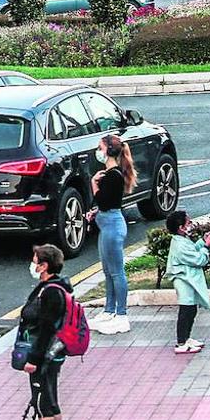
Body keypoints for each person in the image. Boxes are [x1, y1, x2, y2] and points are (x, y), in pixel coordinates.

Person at [19, 244, 72, 420]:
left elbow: (47, 329)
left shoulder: (50, 292)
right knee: (51, 401)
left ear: (44, 266)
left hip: (44, 356)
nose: (32, 266)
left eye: (35, 262)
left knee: (43, 405)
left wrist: (33, 359)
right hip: (53, 353)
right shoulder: (57, 286)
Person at [86, 134, 134, 335]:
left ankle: (121, 315)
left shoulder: (113, 175)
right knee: (107, 271)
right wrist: (96, 211)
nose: (98, 151)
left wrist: (93, 183)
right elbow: (108, 203)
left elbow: (105, 201)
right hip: (107, 223)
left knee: (116, 272)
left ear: (108, 151)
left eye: (100, 147)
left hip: (112, 226)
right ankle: (109, 310)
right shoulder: (110, 173)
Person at [165, 210, 210, 353]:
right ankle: (181, 342)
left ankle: (186, 338)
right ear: (181, 227)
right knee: (186, 310)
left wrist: (201, 242)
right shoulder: (180, 245)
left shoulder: (181, 240)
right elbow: (198, 259)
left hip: (187, 280)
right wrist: (206, 247)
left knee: (191, 309)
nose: (191, 224)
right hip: (183, 280)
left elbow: (193, 250)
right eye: (188, 222)